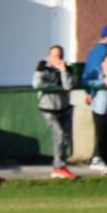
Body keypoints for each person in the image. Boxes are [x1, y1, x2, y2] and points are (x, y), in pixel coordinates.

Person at [82, 24, 107, 169]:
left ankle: (100, 159)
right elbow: (92, 74)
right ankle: (99, 159)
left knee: (104, 130)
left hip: (99, 95)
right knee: (104, 131)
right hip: (102, 97)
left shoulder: (97, 51)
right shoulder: (104, 52)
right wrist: (90, 92)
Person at [33, 45, 76, 179]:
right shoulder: (42, 66)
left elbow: (68, 86)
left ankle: (62, 166)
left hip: (64, 107)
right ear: (50, 55)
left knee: (65, 138)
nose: (57, 58)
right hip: (48, 108)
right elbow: (37, 84)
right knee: (59, 135)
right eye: (54, 55)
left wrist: (63, 70)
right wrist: (55, 87)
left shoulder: (66, 67)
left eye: (60, 55)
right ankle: (58, 167)